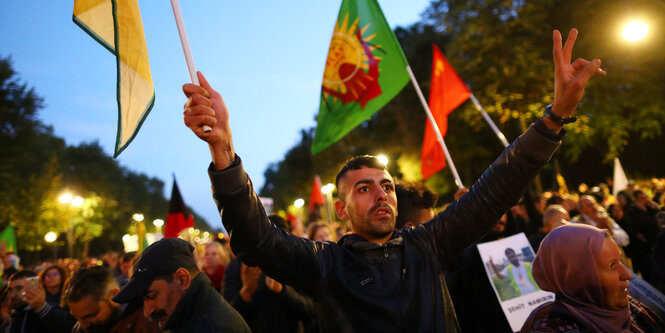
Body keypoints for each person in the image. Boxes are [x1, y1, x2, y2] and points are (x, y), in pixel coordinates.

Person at [182, 28, 604, 332]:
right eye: (363, 189)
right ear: (342, 209)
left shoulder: (428, 244)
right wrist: (223, 148)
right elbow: (256, 238)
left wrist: (555, 117)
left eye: (385, 185)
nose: (381, 194)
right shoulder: (324, 265)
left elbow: (497, 188)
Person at [521, 224, 664, 332]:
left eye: (620, 261)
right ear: (578, 278)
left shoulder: (632, 308)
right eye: (612, 266)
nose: (627, 274)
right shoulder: (550, 328)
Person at [112, 238, 250, 332]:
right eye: (143, 299)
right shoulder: (196, 318)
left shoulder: (211, 327)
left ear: (182, 279)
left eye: (151, 295)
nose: (147, 311)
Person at [64, 266, 157, 333]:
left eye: (91, 315)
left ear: (114, 296)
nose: (83, 325)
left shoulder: (145, 323)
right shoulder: (81, 327)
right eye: (76, 317)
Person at [1, 270, 75, 333]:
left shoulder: (47, 311)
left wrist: (42, 308)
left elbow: (67, 328)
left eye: (19, 288)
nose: (12, 295)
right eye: (10, 290)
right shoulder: (14, 314)